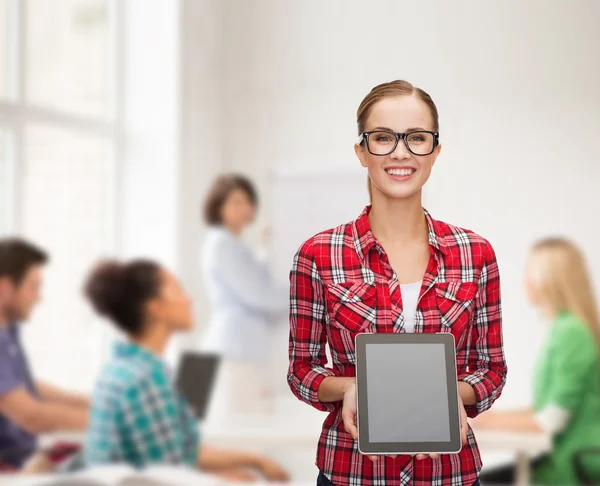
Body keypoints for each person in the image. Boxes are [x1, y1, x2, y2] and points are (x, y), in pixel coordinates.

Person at [287, 80, 508, 486]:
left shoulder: (476, 254)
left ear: (436, 151)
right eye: (383, 138)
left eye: (417, 138)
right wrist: (354, 390)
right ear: (361, 151)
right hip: (351, 473)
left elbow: (491, 371)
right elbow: (302, 371)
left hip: (449, 474)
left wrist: (446, 398)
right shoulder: (318, 254)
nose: (401, 152)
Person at [83, 259, 289, 482]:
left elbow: (181, 453)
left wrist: (253, 459)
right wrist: (231, 479)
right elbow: (169, 477)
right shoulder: (145, 380)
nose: (189, 299)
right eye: (177, 289)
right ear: (155, 308)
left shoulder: (125, 368)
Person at [476, 237, 600, 485]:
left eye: (530, 274)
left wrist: (483, 423)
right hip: (560, 460)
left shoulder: (571, 332)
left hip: (572, 466)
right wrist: (487, 418)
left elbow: (549, 421)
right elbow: (545, 408)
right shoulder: (563, 328)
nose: (525, 283)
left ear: (551, 281)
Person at [200, 174, 288, 418]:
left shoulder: (235, 245)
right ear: (218, 206)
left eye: (248, 201)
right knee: (239, 431)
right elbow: (259, 295)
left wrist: (265, 248)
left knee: (248, 426)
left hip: (242, 352)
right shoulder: (221, 244)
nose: (245, 208)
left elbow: (258, 284)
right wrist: (305, 293)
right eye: (236, 202)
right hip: (232, 353)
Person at [0, 238, 89, 472]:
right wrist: (111, 421)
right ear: (6, 288)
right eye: (34, 287)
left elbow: (23, 386)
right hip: (11, 467)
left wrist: (89, 402)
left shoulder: (8, 330)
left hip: (26, 457)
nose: (39, 297)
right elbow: (31, 416)